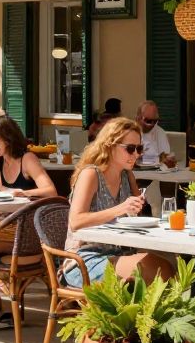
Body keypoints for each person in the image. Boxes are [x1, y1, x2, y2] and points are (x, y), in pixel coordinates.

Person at [0, 116, 58, 327]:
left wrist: (23, 194)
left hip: (27, 233)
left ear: (7, 138)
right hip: (4, 227)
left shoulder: (27, 159)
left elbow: (50, 190)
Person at [64, 117, 172, 287]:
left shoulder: (127, 176)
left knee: (166, 268)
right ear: (110, 145)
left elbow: (137, 215)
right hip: (85, 259)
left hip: (122, 251)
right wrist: (120, 208)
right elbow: (75, 221)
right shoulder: (91, 174)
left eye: (139, 148)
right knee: (156, 270)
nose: (136, 154)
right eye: (130, 149)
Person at [135, 100, 176, 167]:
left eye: (155, 121)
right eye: (148, 121)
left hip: (156, 173)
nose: (152, 124)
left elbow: (165, 157)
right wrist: (158, 159)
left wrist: (168, 161)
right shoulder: (129, 133)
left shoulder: (159, 132)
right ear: (138, 118)